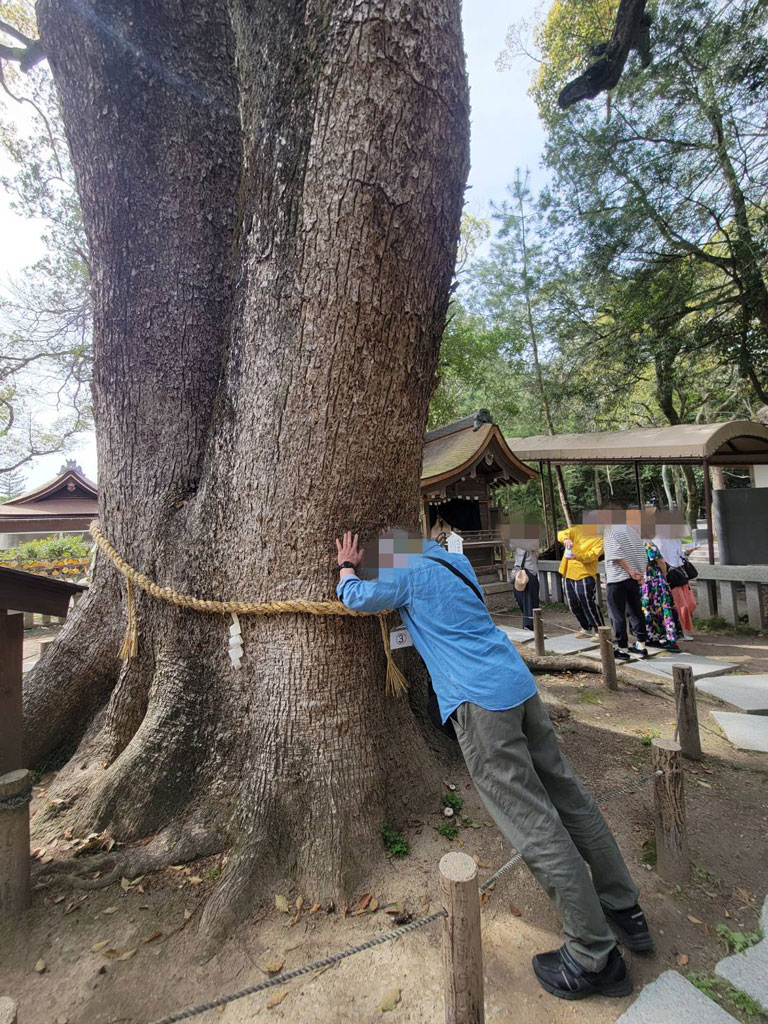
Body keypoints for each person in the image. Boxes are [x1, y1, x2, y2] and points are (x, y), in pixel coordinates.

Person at [334, 528, 652, 1001]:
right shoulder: (453, 564)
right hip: (519, 687)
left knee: (533, 822)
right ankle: (625, 910)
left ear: (391, 557)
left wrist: (346, 567)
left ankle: (594, 955)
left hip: (481, 704)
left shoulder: (407, 575)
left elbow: (355, 596)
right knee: (570, 798)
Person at [602, 506, 651, 662]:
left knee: (617, 613)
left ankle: (621, 647)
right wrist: (640, 574)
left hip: (618, 577)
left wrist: (629, 570)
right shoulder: (632, 531)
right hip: (634, 578)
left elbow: (615, 553)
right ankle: (641, 645)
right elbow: (643, 554)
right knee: (636, 611)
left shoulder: (610, 530)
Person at [557, 520, 605, 638]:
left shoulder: (600, 539)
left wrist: (577, 556)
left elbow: (593, 555)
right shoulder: (577, 529)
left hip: (584, 574)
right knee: (572, 603)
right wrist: (565, 539)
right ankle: (585, 627)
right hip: (568, 572)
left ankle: (600, 630)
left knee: (587, 602)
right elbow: (561, 534)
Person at [653, 513, 698, 639]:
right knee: (679, 604)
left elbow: (679, 554)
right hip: (671, 574)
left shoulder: (675, 538)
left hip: (680, 572)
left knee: (690, 603)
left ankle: (683, 629)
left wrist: (687, 552)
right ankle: (680, 631)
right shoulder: (658, 538)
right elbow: (660, 558)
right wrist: (664, 574)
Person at [641, 540, 682, 651]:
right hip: (655, 580)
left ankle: (652, 637)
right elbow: (661, 562)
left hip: (644, 581)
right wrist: (664, 576)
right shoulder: (648, 544)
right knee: (664, 608)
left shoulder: (634, 545)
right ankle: (670, 639)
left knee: (648, 609)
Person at [507, 525, 541, 631]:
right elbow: (510, 548)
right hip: (519, 572)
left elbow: (532, 546)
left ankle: (529, 625)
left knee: (530, 598)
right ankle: (529, 621)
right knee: (519, 596)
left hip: (530, 572)